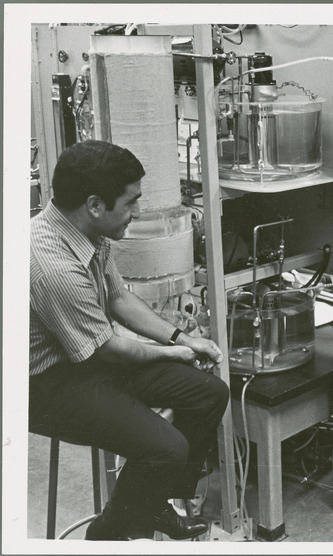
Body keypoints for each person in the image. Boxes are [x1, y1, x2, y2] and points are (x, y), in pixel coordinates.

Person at [29, 140, 230, 541]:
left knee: (209, 393)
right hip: (45, 386)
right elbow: (109, 349)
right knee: (167, 448)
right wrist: (178, 351)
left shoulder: (90, 233)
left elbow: (119, 298)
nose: (137, 214)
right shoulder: (50, 263)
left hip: (87, 360)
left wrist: (183, 337)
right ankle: (107, 536)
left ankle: (151, 502)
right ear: (94, 204)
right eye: (131, 203)